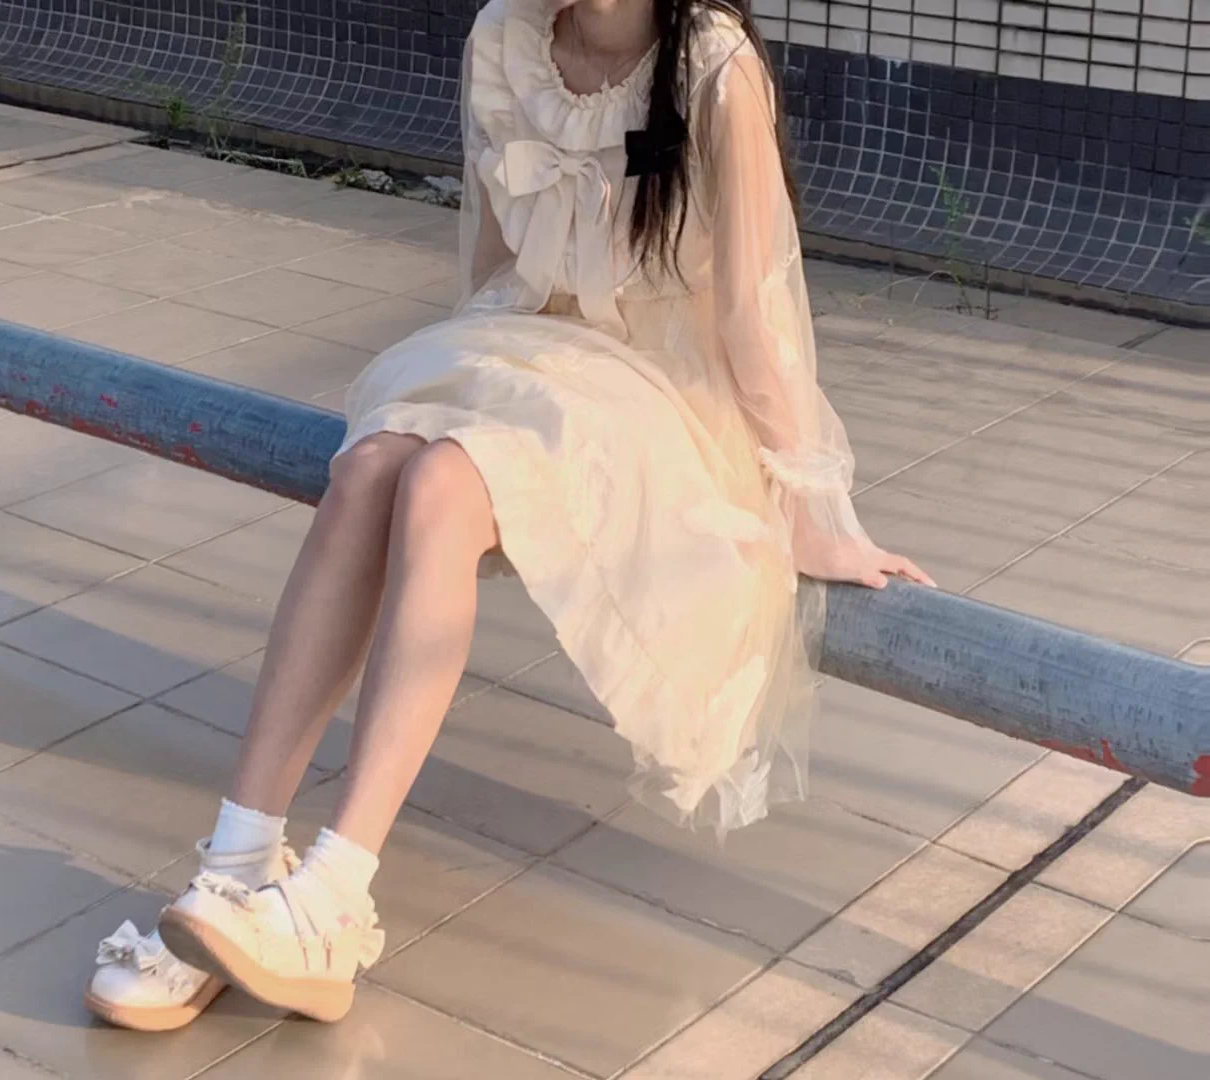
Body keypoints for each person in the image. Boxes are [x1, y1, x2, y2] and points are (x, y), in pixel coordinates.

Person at [84, 0, 932, 1030]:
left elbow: (753, 310)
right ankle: (237, 865)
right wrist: (467, 395)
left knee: (442, 483)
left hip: (663, 390)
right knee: (375, 468)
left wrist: (811, 500)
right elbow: (493, 269)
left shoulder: (713, 67)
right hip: (531, 347)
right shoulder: (505, 35)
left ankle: (335, 894)